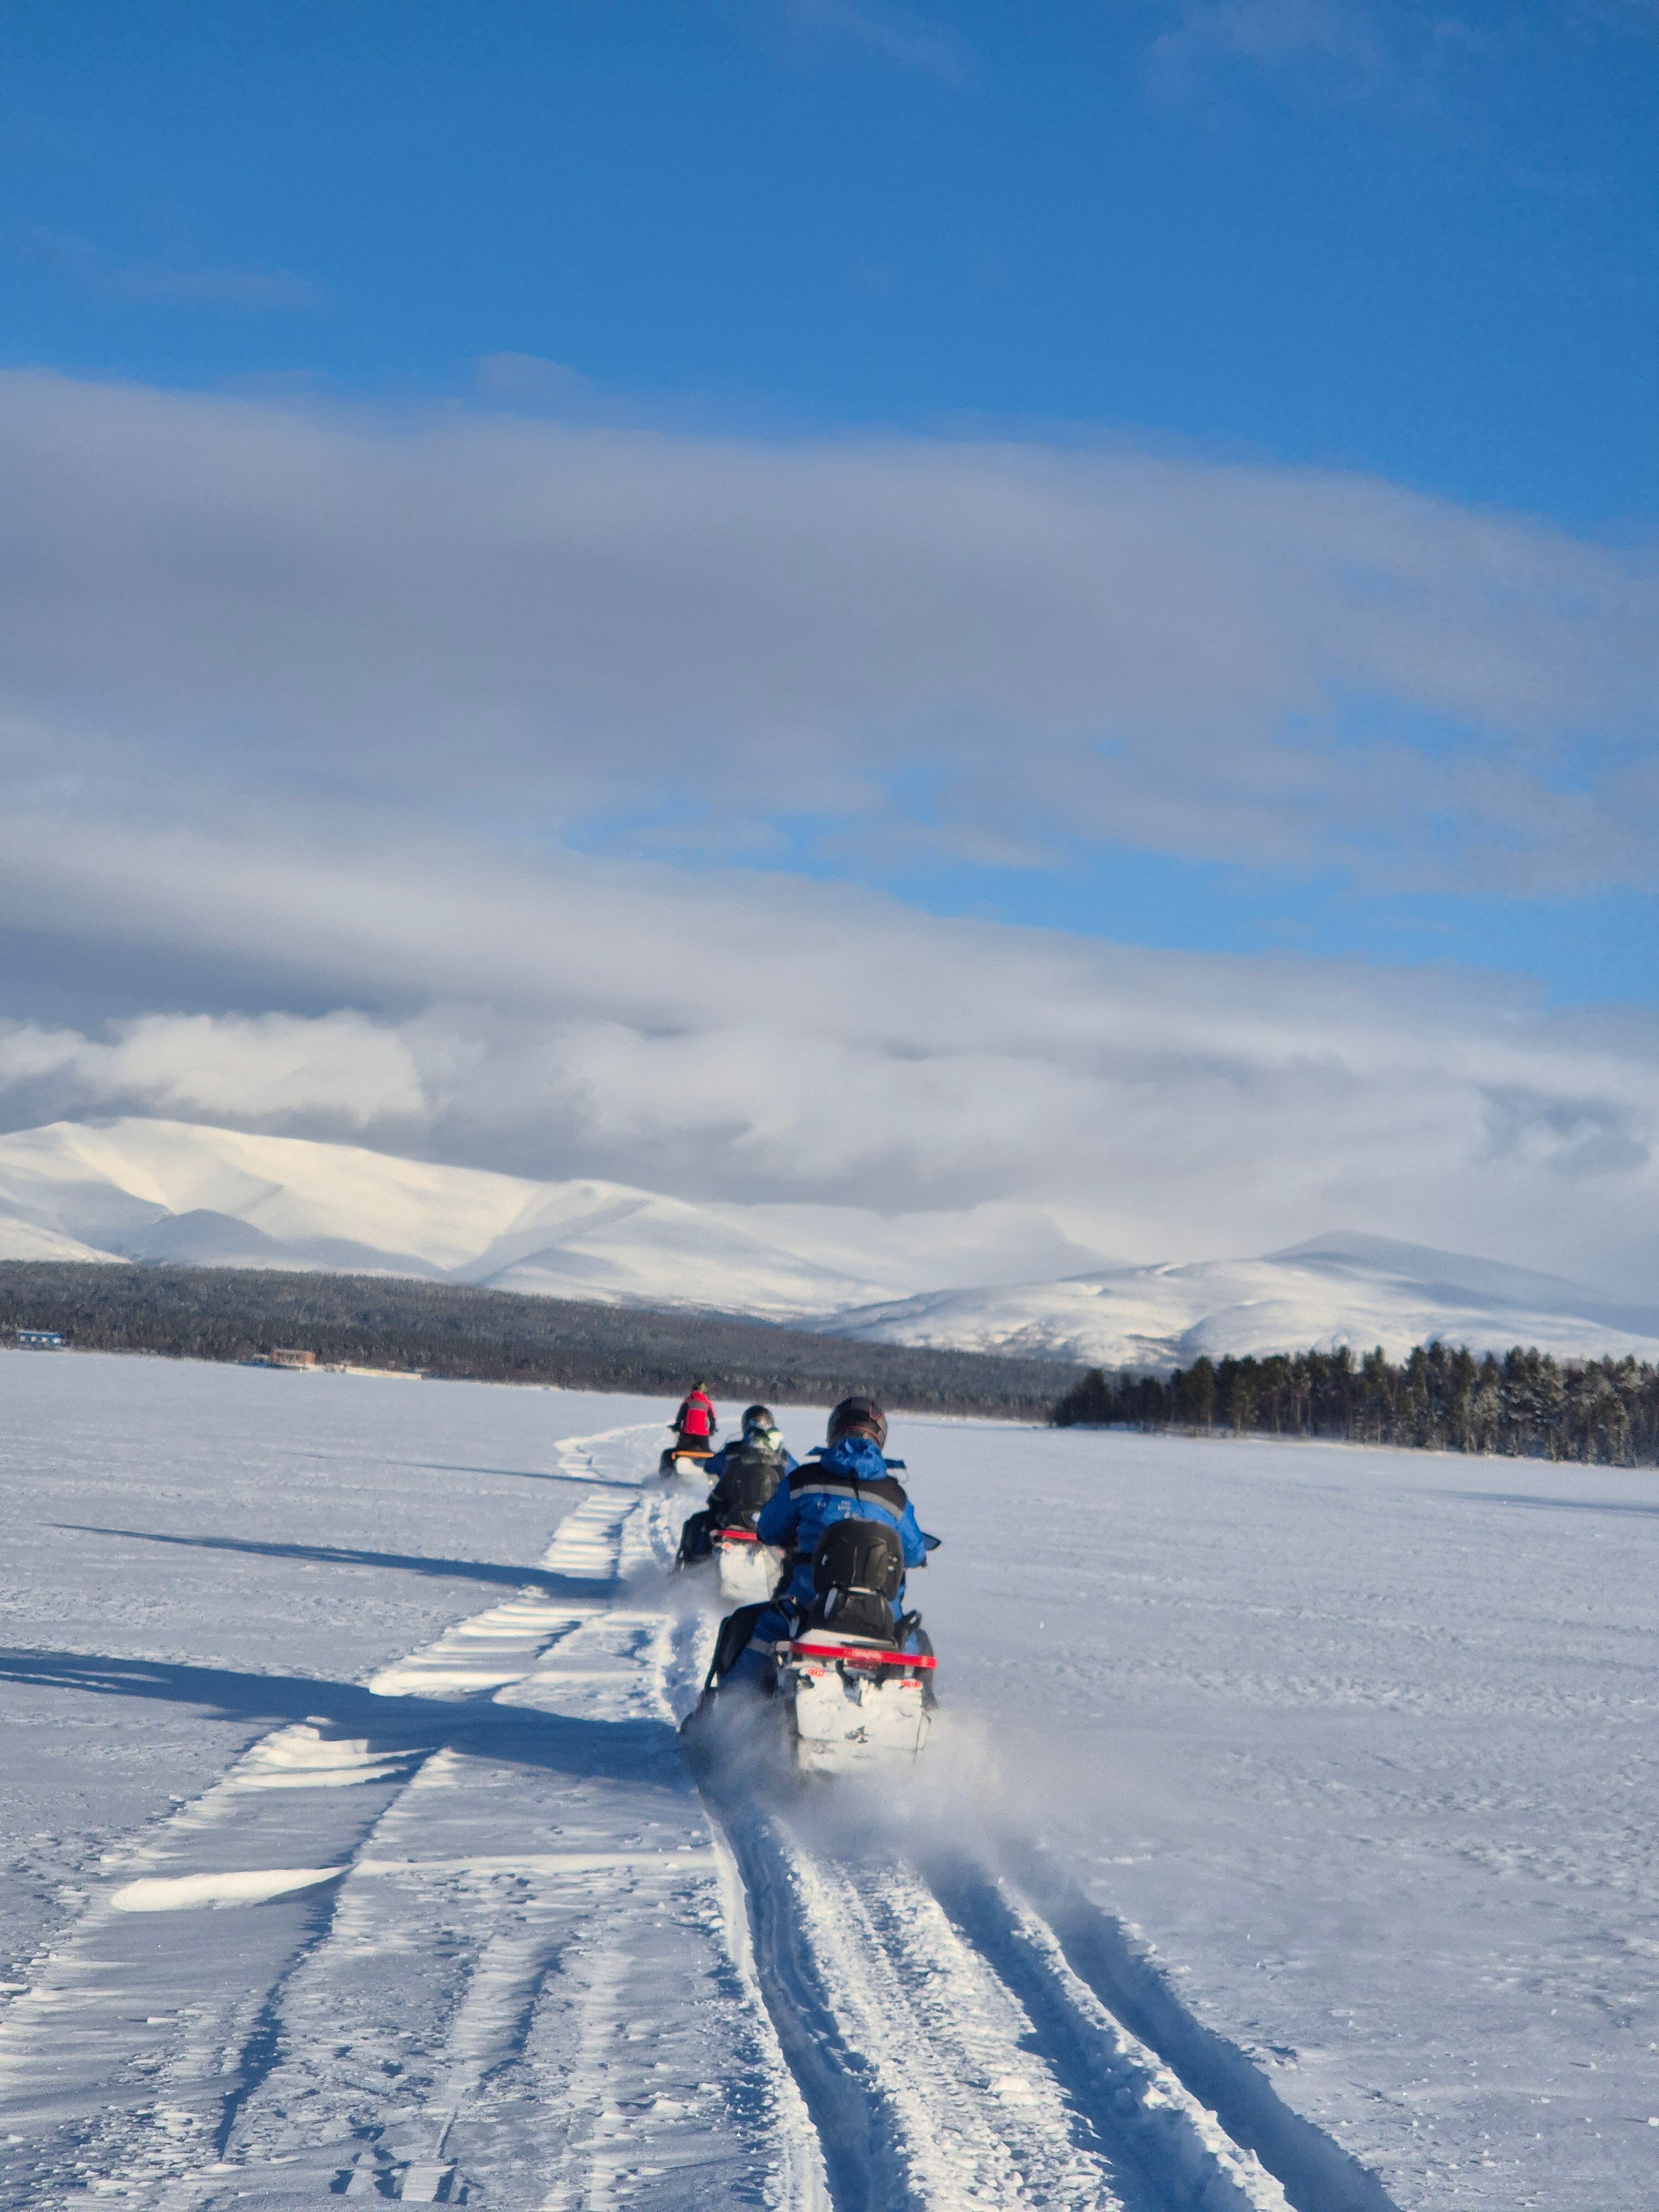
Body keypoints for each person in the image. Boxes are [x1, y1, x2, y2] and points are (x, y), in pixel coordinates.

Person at [712, 1394, 932, 1689]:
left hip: (808, 1606)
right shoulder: (894, 1497)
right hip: (881, 1617)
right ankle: (926, 1709)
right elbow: (916, 1553)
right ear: (881, 1437)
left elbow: (768, 1529)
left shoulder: (803, 1480)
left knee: (750, 1626)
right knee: (917, 1642)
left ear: (833, 1432)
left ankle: (730, 1707)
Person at [676, 1404, 797, 1567]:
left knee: (699, 1522)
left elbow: (712, 1465)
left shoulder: (733, 1451)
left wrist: (700, 1465)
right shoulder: (783, 1456)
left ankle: (689, 1568)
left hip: (735, 1518)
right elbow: (797, 1475)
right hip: (772, 1523)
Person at [669, 1383, 718, 1458]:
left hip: (687, 1435)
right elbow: (712, 1419)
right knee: (708, 1454)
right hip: (703, 1436)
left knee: (677, 1452)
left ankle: (671, 1467)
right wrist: (712, 1430)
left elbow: (680, 1417)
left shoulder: (688, 1401)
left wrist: (677, 1426)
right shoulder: (707, 1403)